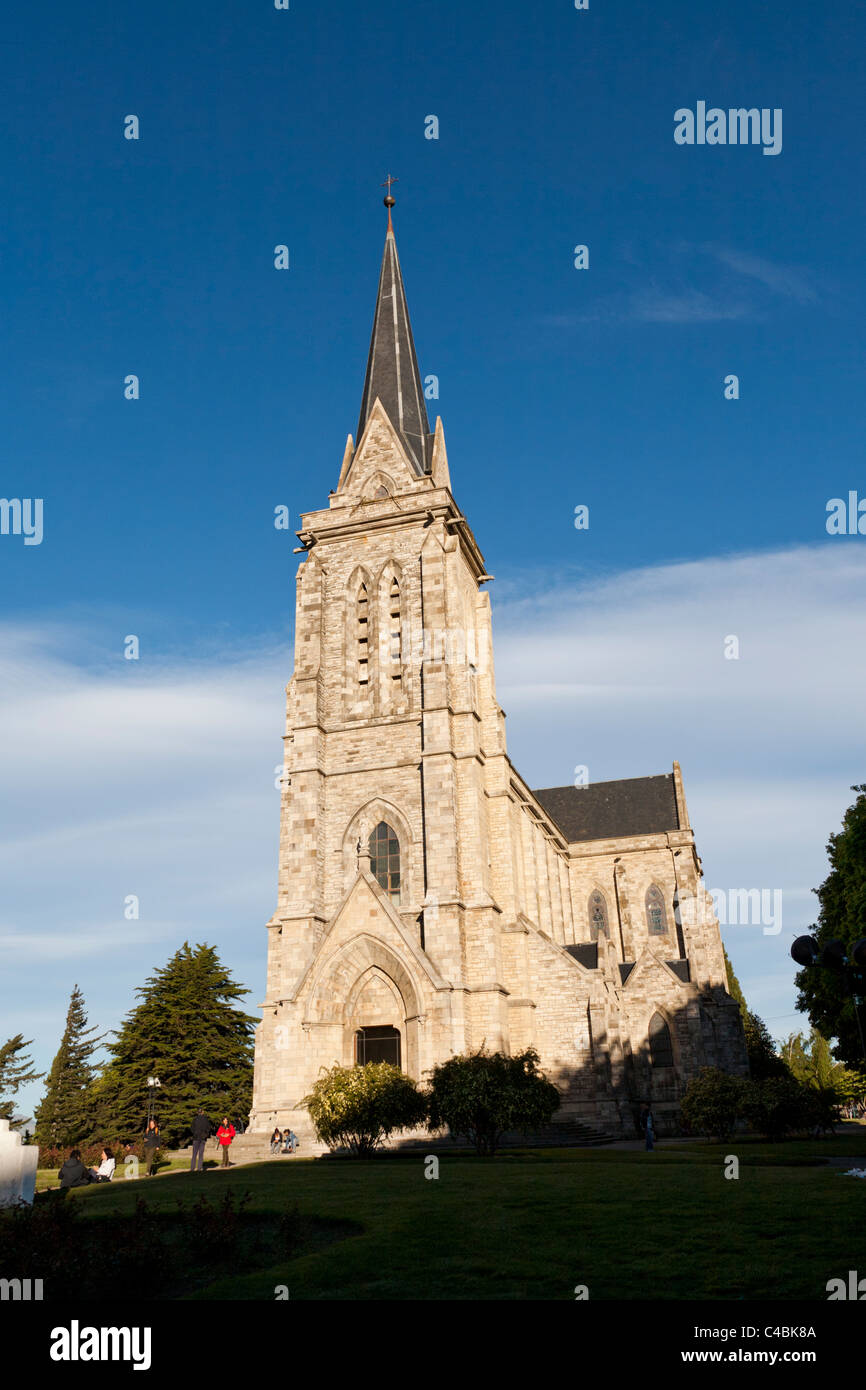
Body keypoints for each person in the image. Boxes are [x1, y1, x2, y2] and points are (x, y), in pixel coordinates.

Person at [190, 1108, 212, 1172]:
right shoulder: (206, 1120)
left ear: (198, 1112)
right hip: (202, 1138)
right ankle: (199, 1168)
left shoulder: (195, 1119)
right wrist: (205, 1135)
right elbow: (208, 1128)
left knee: (194, 1154)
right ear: (203, 1112)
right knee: (201, 1154)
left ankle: (192, 1168)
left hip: (196, 1138)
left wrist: (194, 1134)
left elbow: (191, 1128)